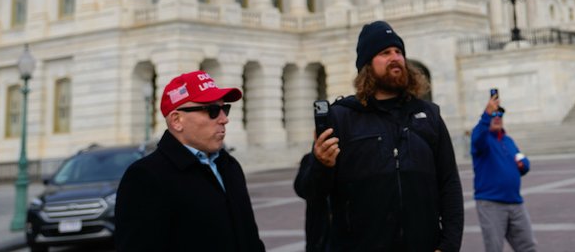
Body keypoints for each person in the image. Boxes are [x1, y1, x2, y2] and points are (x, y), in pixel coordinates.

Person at [297, 20, 464, 252]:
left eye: (398, 52)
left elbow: (449, 184)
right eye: (385, 53)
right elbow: (308, 191)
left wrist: (449, 245)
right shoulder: (342, 117)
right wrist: (321, 164)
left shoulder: (428, 114)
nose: (395, 57)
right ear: (367, 65)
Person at [115, 70, 264, 251]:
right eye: (212, 110)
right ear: (177, 120)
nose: (224, 119)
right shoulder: (147, 176)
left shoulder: (229, 166)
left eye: (224, 109)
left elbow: (249, 237)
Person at [471, 95, 537, 252]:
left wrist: (524, 165)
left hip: (515, 202)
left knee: (528, 247)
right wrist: (486, 114)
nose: (498, 117)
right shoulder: (483, 139)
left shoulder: (508, 140)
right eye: (494, 114)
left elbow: (520, 159)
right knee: (494, 248)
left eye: (500, 115)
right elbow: (477, 137)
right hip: (491, 203)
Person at [294, 151, 330, 252]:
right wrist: (319, 163)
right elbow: (301, 189)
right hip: (319, 240)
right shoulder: (310, 159)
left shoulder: (354, 159)